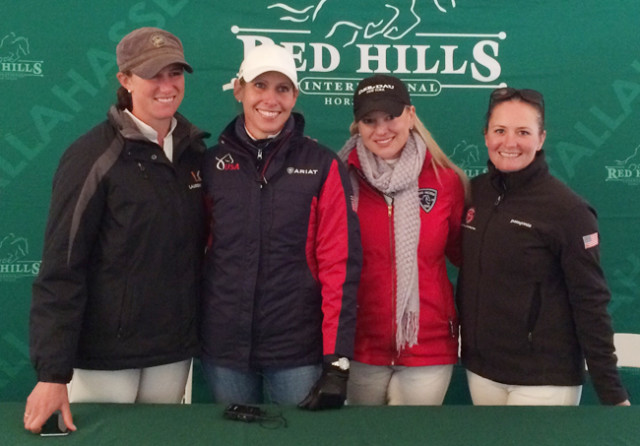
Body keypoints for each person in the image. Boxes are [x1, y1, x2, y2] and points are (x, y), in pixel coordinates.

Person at [24, 27, 209, 433]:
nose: (167, 85)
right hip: (105, 356)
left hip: (173, 352)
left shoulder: (195, 152)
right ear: (124, 80)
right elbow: (61, 268)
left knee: (161, 440)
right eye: (153, 75)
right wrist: (53, 372)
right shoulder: (91, 156)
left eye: (175, 73)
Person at [200, 43, 361, 409]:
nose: (270, 99)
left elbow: (340, 266)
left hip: (296, 353)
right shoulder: (209, 165)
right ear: (239, 89)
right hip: (224, 351)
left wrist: (336, 359)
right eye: (260, 86)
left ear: (295, 96)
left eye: (282, 88)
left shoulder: (322, 166)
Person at [456, 87, 631, 406]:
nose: (510, 143)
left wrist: (611, 393)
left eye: (523, 132)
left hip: (543, 381)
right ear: (485, 136)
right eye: (500, 130)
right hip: (481, 373)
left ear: (541, 138)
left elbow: (590, 302)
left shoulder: (568, 211)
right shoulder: (474, 193)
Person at [337, 74, 468, 405]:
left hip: (427, 346)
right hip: (359, 345)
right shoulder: (338, 178)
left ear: (410, 115)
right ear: (358, 126)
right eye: (369, 120)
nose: (381, 130)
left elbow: (463, 255)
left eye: (390, 117)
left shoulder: (446, 181)